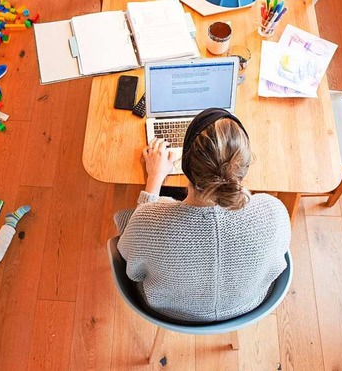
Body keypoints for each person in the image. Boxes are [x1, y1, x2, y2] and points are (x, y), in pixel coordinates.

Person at [115, 108, 291, 323]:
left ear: (186, 166)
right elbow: (276, 265)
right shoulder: (273, 211)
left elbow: (131, 266)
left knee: (128, 223)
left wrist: (154, 179)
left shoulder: (148, 221)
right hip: (246, 306)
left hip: (169, 312)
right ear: (244, 168)